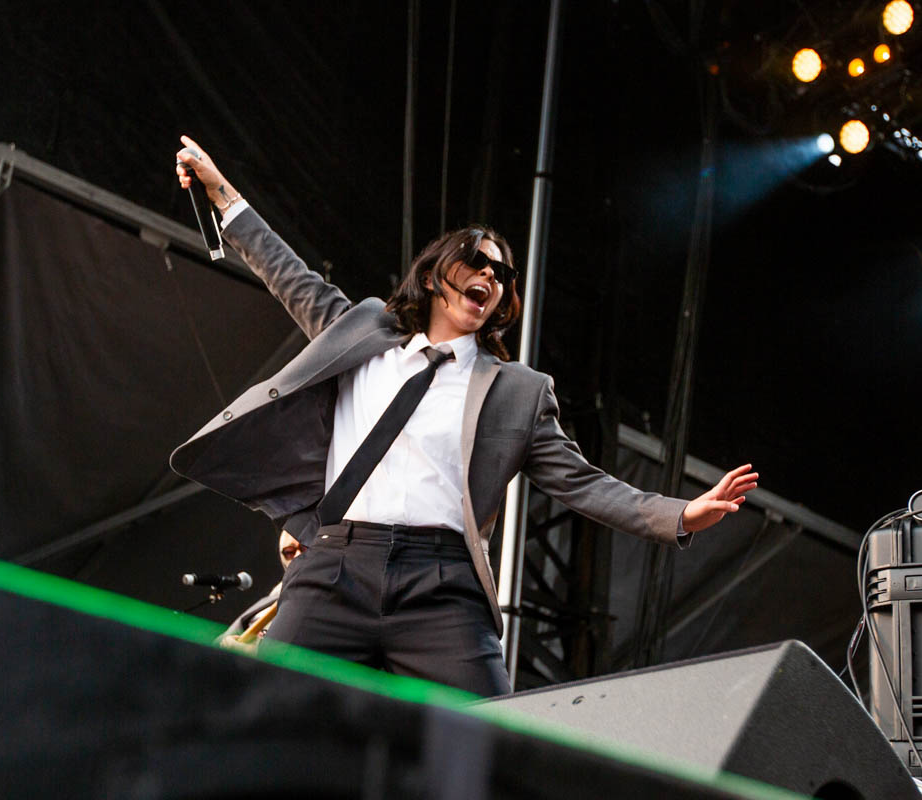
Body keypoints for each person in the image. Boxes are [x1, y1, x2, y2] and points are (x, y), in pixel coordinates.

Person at [170, 135, 758, 696]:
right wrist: (222, 193)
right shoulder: (361, 334)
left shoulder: (517, 391)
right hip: (336, 565)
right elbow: (287, 273)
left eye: (502, 274)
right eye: (477, 262)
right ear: (432, 276)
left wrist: (680, 514)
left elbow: (582, 483)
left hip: (442, 584)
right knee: (264, 716)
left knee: (488, 737)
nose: (491, 276)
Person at [213, 530, 306, 652]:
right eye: (289, 552)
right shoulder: (275, 596)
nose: (297, 556)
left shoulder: (322, 599)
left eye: (306, 549)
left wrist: (254, 652)